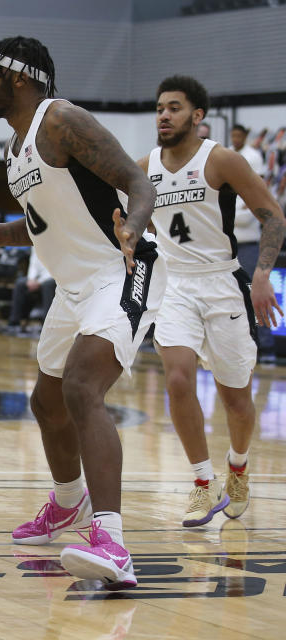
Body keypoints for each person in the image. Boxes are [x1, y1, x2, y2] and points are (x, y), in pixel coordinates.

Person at [0, 36, 165, 590]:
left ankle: (112, 542)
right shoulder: (17, 149)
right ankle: (68, 505)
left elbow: (137, 182)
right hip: (73, 284)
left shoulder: (59, 119)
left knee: (83, 388)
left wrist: (132, 226)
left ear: (18, 77)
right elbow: (37, 227)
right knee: (46, 400)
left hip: (123, 265)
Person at [142, 76, 285, 527]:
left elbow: (272, 215)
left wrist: (262, 273)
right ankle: (203, 482)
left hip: (222, 284)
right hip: (175, 287)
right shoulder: (144, 165)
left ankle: (238, 467)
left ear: (197, 116)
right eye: (160, 107)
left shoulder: (221, 159)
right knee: (179, 381)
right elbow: (128, 216)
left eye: (175, 107)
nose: (164, 115)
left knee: (235, 399)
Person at [230, 123, 275, 361]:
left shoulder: (254, 157)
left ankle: (266, 345)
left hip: (248, 244)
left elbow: (249, 217)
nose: (235, 138)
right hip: (228, 246)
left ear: (246, 136)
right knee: (231, 299)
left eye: (239, 135)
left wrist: (229, 217)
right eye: (233, 135)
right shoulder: (226, 154)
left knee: (255, 293)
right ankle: (241, 344)